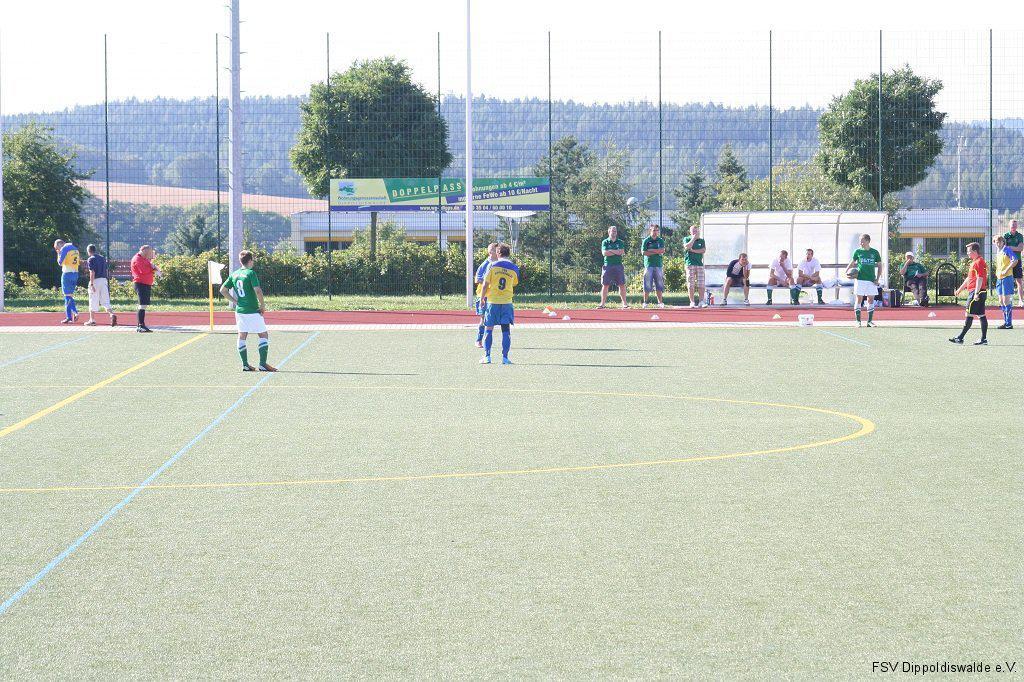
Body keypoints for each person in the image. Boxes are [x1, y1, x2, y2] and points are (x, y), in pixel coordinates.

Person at [220, 249, 276, 372]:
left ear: (241, 261)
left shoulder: (234, 274)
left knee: (242, 335)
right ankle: (262, 364)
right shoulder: (251, 273)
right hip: (252, 310)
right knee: (263, 334)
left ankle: (245, 364)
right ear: (250, 260)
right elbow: (258, 291)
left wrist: (235, 301)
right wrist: (262, 305)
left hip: (240, 311)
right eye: (253, 260)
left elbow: (223, 290)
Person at [479, 243, 519, 365]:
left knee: (489, 329)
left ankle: (487, 357)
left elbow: (485, 284)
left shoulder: (492, 265)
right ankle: (505, 358)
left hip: (493, 302)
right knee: (506, 331)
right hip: (507, 303)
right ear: (508, 254)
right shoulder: (514, 267)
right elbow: (514, 283)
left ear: (498, 253)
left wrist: (482, 298)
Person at [950, 242, 989, 345]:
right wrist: (960, 289)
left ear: (975, 251)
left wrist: (976, 293)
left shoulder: (979, 262)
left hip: (976, 292)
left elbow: (980, 278)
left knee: (969, 314)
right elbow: (969, 278)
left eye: (969, 251)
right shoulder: (975, 262)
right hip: (979, 292)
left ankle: (960, 338)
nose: (967, 253)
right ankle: (983, 339)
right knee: (981, 315)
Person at [846, 234, 882, 328]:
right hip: (860, 279)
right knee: (859, 299)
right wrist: (847, 271)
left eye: (862, 241)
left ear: (868, 241)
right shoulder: (857, 251)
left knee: (871, 300)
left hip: (871, 280)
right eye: (860, 241)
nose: (860, 243)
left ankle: (869, 322)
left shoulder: (875, 252)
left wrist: (877, 279)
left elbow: (880, 266)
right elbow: (852, 262)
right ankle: (858, 322)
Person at [130, 245, 161, 333]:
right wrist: (153, 268)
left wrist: (154, 268)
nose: (150, 254)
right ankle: (140, 326)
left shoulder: (144, 259)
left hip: (145, 284)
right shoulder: (137, 259)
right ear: (144, 251)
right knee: (142, 305)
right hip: (141, 284)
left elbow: (150, 266)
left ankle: (141, 325)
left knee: (144, 305)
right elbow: (144, 270)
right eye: (149, 252)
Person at [85, 244, 117, 327]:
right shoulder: (102, 258)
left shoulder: (91, 259)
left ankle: (92, 320)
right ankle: (111, 314)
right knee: (105, 300)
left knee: (93, 300)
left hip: (95, 281)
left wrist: (92, 284)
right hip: (104, 280)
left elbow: (92, 272)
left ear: (88, 251)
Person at [474, 243, 499, 348]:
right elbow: (477, 279)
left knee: (491, 320)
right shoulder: (485, 264)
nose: (498, 252)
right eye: (496, 250)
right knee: (483, 319)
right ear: (490, 252)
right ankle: (479, 340)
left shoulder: (499, 264)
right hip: (483, 296)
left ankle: (487, 340)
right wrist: (488, 282)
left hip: (494, 297)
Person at [598, 226, 628, 309]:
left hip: (618, 265)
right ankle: (602, 304)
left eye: (615, 231)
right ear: (609, 232)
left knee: (621, 284)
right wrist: (616, 252)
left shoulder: (620, 242)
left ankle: (625, 304)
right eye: (612, 231)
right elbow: (605, 253)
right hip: (608, 265)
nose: (614, 232)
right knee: (605, 285)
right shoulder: (605, 242)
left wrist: (611, 251)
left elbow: (621, 252)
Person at [993, 235, 1018, 330]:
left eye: (999, 241)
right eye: (996, 242)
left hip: (1007, 278)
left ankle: (1009, 323)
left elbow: (1015, 260)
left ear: (1003, 242)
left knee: (1006, 301)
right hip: (999, 278)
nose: (998, 243)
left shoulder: (1007, 250)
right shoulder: (998, 252)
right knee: (1001, 301)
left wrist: (1006, 269)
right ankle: (1005, 322)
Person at [53, 239, 80, 324]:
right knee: (69, 296)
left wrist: (58, 253)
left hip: (67, 274)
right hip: (75, 273)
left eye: (57, 248)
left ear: (60, 244)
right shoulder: (75, 248)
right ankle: (69, 317)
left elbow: (60, 262)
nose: (57, 250)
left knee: (67, 296)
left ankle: (74, 312)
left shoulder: (64, 249)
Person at [641, 224, 666, 308]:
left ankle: (660, 302)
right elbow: (644, 252)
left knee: (659, 284)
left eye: (657, 230)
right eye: (653, 230)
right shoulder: (646, 240)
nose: (655, 232)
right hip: (649, 265)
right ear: (650, 231)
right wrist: (657, 251)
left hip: (658, 265)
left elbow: (662, 251)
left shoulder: (660, 240)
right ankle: (645, 302)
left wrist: (651, 250)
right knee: (647, 284)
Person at [683, 224, 706, 308]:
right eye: (693, 231)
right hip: (690, 264)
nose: (695, 232)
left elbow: (703, 250)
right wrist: (693, 238)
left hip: (699, 264)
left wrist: (693, 251)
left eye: (696, 231)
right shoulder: (686, 239)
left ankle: (701, 301)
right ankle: (692, 302)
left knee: (701, 283)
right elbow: (687, 247)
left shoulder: (701, 241)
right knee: (691, 284)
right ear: (690, 232)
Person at [1003, 219, 1023, 307]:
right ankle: (1009, 299)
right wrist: (1014, 248)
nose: (1013, 227)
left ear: (1017, 226)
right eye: (1012, 225)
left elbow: (1020, 248)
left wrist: (1010, 247)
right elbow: (1004, 248)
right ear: (1009, 226)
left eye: (1015, 225)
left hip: (1017, 261)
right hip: (1008, 261)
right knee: (1008, 280)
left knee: (1019, 281)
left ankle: (1021, 300)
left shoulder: (1020, 236)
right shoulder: (1005, 236)